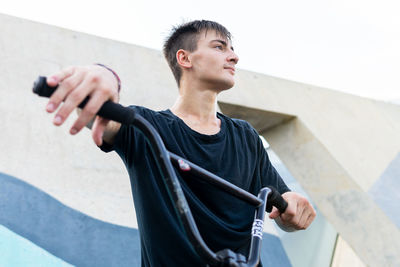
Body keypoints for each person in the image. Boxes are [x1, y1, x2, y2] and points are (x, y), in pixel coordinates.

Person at [44, 20, 316, 266]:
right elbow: (103, 116)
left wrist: (293, 206)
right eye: (220, 47)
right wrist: (104, 76)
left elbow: (283, 212)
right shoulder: (147, 127)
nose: (233, 56)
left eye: (232, 49)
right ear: (184, 58)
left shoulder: (245, 136)